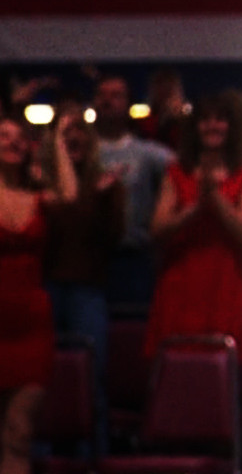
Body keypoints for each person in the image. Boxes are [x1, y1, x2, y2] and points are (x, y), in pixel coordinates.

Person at [147, 89, 242, 363]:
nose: (212, 125)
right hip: (182, 282)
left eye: (220, 119)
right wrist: (195, 208)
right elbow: (157, 230)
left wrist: (214, 197)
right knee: (178, 364)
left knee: (222, 364)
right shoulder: (177, 172)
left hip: (226, 282)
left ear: (232, 127)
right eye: (205, 119)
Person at [40, 106, 125, 457]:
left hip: (87, 289)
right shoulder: (38, 185)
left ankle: (92, 458)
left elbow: (112, 238)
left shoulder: (105, 186)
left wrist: (104, 199)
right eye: (65, 132)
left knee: (91, 378)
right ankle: (42, 458)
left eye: (79, 131)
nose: (73, 138)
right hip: (44, 289)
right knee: (42, 380)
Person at [1, 114, 76, 474]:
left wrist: (56, 140)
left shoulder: (37, 198)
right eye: (3, 135)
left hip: (30, 325)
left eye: (20, 137)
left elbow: (69, 195)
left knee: (19, 430)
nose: (13, 142)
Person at [92, 75, 174, 307]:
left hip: (136, 259)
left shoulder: (148, 153)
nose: (107, 101)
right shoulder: (78, 152)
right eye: (102, 95)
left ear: (129, 103)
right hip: (89, 260)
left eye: (116, 95)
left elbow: (186, 169)